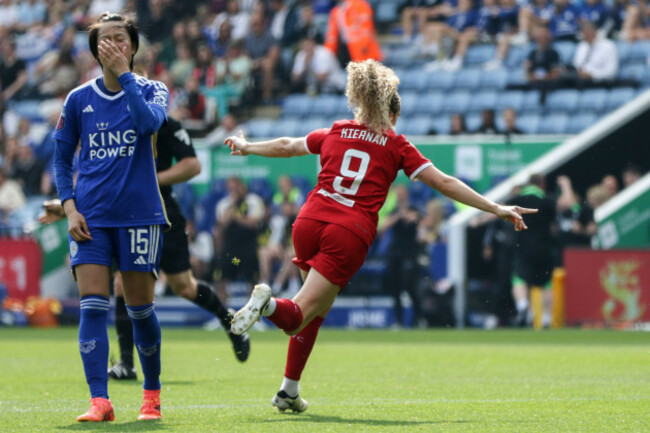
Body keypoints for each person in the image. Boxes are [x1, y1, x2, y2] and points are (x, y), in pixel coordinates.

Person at [225, 59, 536, 413]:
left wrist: (248, 147)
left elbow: (286, 144)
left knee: (315, 310)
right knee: (297, 314)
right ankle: (266, 304)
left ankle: (289, 390)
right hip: (347, 232)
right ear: (392, 113)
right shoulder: (397, 145)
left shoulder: (337, 130)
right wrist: (495, 207)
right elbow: (444, 183)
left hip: (308, 221)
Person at [54, 12, 168, 422]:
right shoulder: (78, 100)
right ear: (94, 50)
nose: (114, 45)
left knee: (139, 309)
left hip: (140, 216)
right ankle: (100, 400)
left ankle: (150, 395)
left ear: (133, 47)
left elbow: (147, 123)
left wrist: (126, 76)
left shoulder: (154, 90)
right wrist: (69, 208)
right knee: (92, 308)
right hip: (90, 218)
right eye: (106, 40)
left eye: (121, 39)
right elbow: (61, 159)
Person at [108, 117, 250, 382]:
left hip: (164, 212)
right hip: (126, 214)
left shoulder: (166, 125)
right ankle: (127, 363)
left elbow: (192, 165)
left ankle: (230, 323)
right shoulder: (115, 123)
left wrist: (149, 180)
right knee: (121, 282)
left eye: (140, 73)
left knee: (184, 286)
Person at [509, 174, 556, 327]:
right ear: (542, 183)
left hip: (523, 247)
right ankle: (546, 319)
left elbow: (499, 209)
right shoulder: (547, 200)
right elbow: (556, 223)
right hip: (544, 247)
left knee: (519, 279)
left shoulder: (518, 199)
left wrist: (477, 221)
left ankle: (523, 307)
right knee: (546, 284)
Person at [378, 184, 423, 328]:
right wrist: (398, 217)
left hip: (410, 253)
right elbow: (382, 227)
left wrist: (411, 217)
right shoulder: (394, 212)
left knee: (410, 286)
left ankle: (419, 319)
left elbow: (419, 222)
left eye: (402, 194)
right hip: (395, 253)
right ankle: (399, 321)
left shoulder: (414, 209)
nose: (400, 197)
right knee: (396, 289)